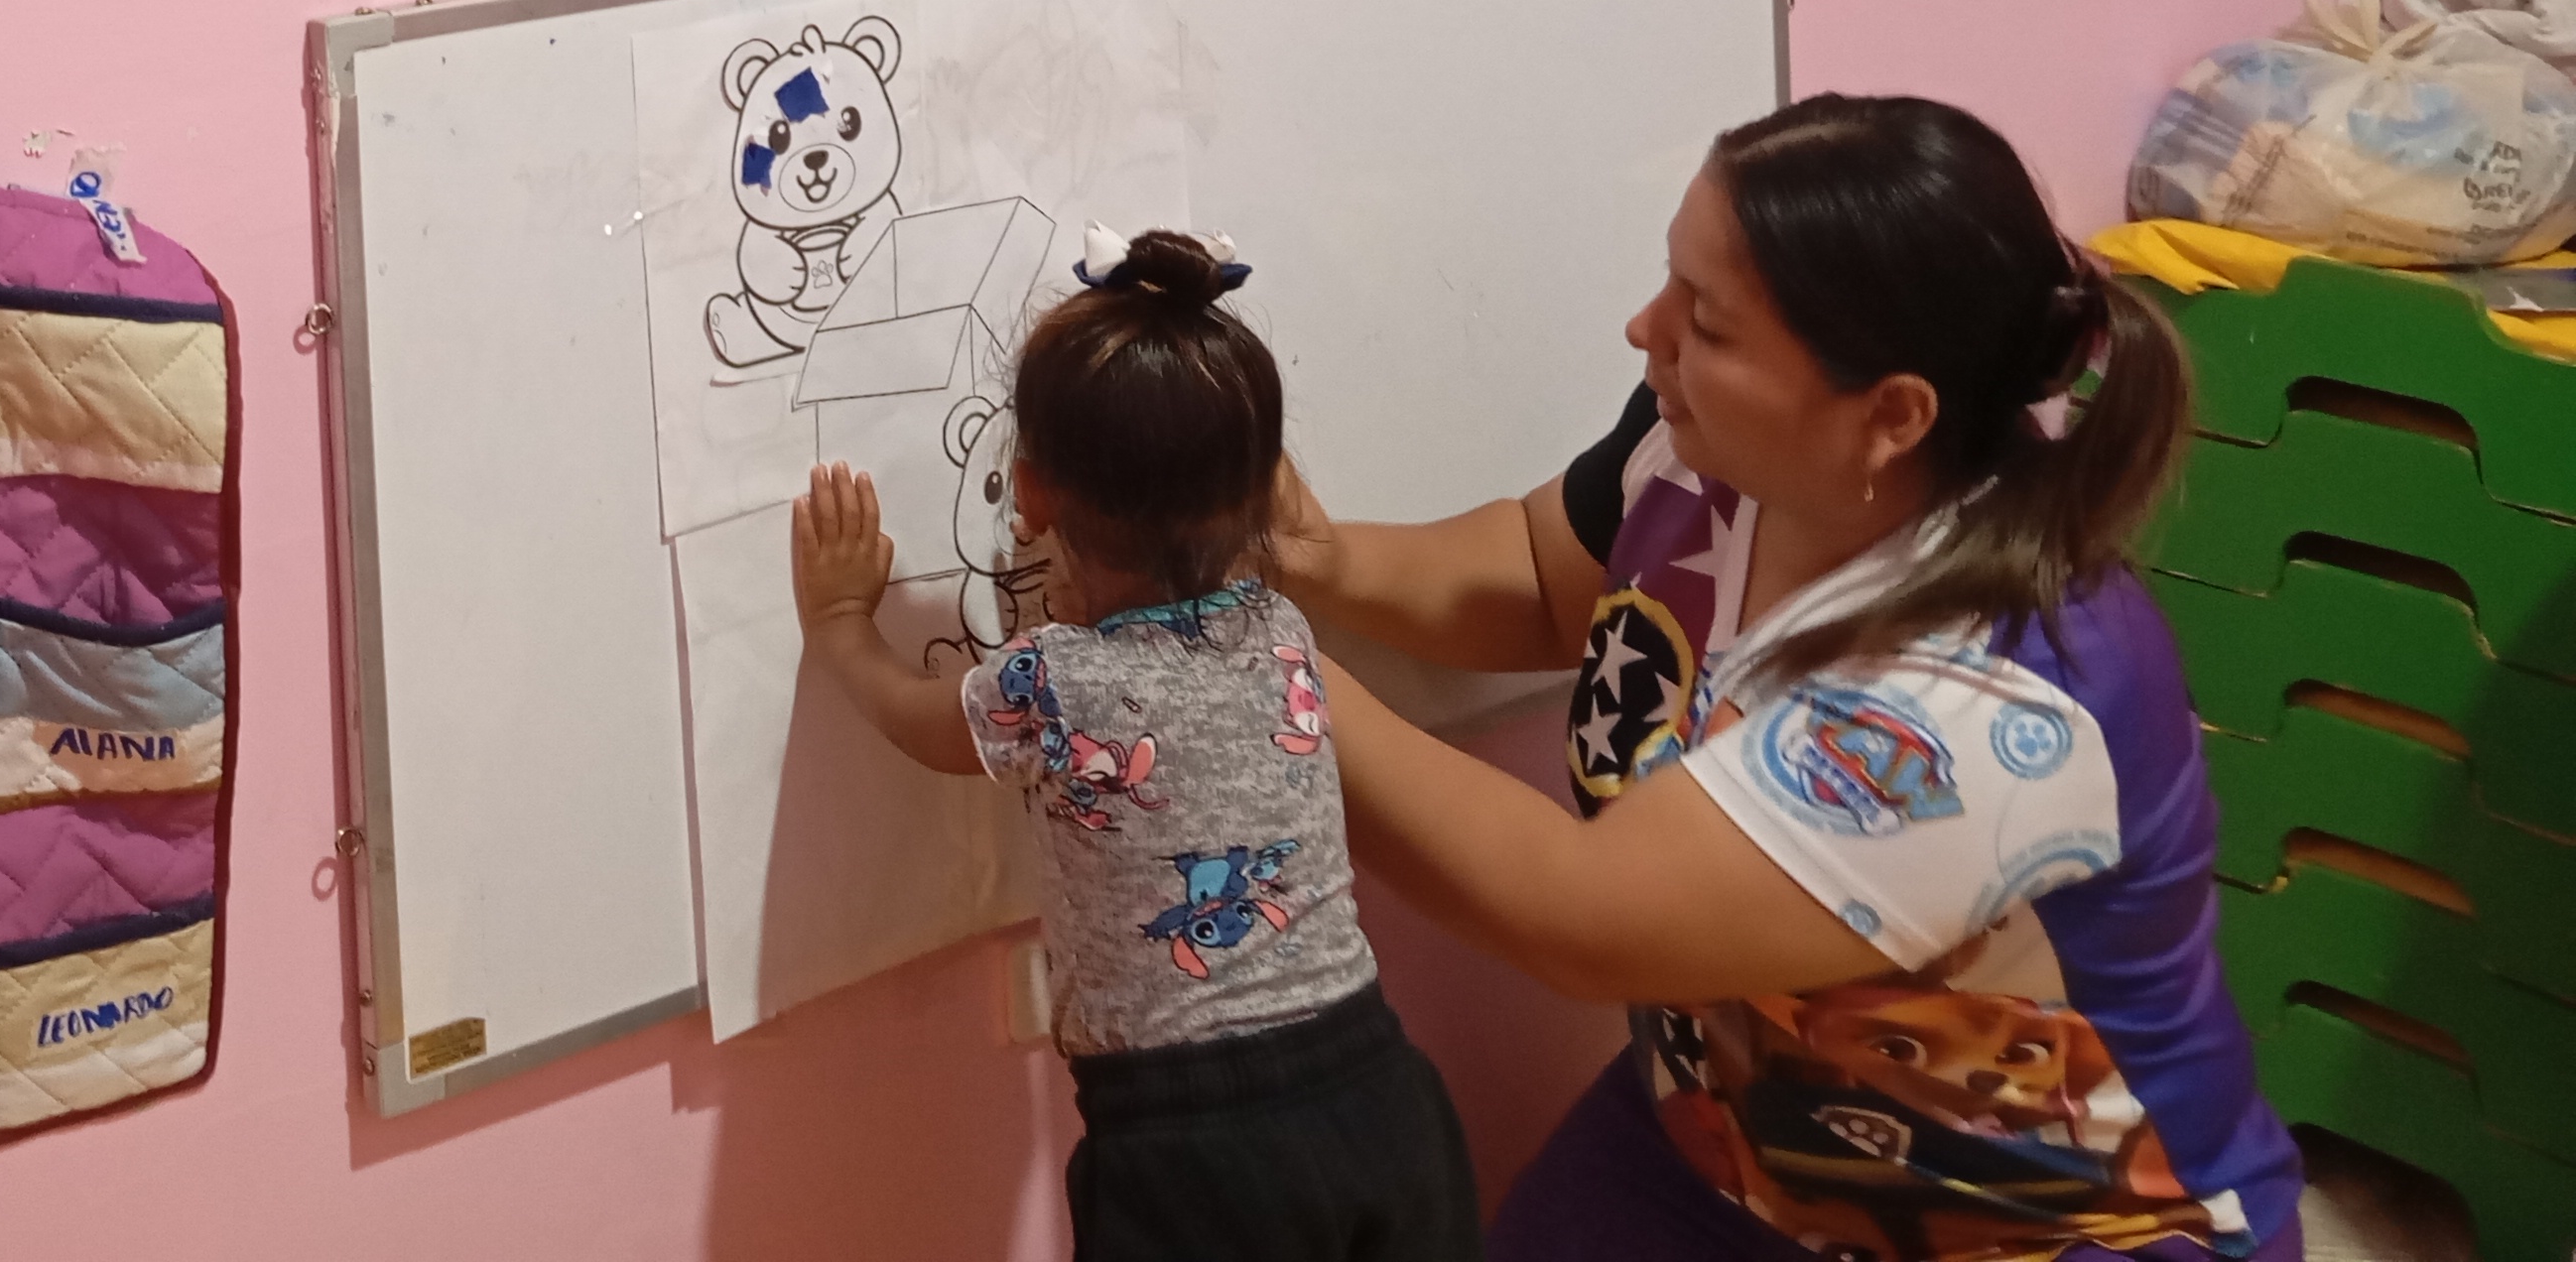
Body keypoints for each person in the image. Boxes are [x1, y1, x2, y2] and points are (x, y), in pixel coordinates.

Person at [1274, 95, 2302, 1259]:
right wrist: (1313, 556)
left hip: (2021, 1219)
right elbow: (1538, 571)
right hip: (1731, 1128)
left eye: (1706, 324)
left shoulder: (1982, 703)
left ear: (1891, 414)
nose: (1644, 329)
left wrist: (1267, 676)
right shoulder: (1708, 454)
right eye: (1670, 283)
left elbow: (1580, 917)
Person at [794, 227, 1481, 1262]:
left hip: (1192, 1149)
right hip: (1381, 1092)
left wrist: (842, 621)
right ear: (1260, 487)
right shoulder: (1283, 631)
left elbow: (916, 720)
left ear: (1030, 493)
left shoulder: (1050, 681)